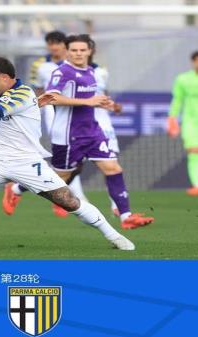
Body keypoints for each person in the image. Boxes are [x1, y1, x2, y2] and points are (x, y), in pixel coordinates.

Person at [0, 57, 135, 251]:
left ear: (4, 78)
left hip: (27, 164)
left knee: (70, 202)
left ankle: (114, 236)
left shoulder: (23, 94)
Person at [45, 34, 153, 230]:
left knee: (113, 168)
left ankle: (126, 217)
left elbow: (93, 99)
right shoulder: (63, 72)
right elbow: (50, 98)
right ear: (67, 52)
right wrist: (88, 101)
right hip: (69, 135)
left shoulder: (90, 71)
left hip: (92, 132)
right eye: (74, 50)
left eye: (82, 50)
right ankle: (18, 187)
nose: (78, 53)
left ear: (90, 51)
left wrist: (106, 103)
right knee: (60, 178)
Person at [3, 31, 67, 215]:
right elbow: (38, 89)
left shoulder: (73, 63)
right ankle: (62, 199)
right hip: (53, 110)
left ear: (65, 45)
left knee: (71, 158)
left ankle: (17, 189)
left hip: (75, 112)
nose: (54, 47)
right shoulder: (40, 65)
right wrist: (37, 108)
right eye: (51, 43)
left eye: (58, 43)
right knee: (64, 154)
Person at [167, 51, 198, 196]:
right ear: (193, 62)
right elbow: (177, 100)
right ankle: (197, 184)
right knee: (193, 151)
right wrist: (172, 119)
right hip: (190, 121)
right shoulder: (183, 79)